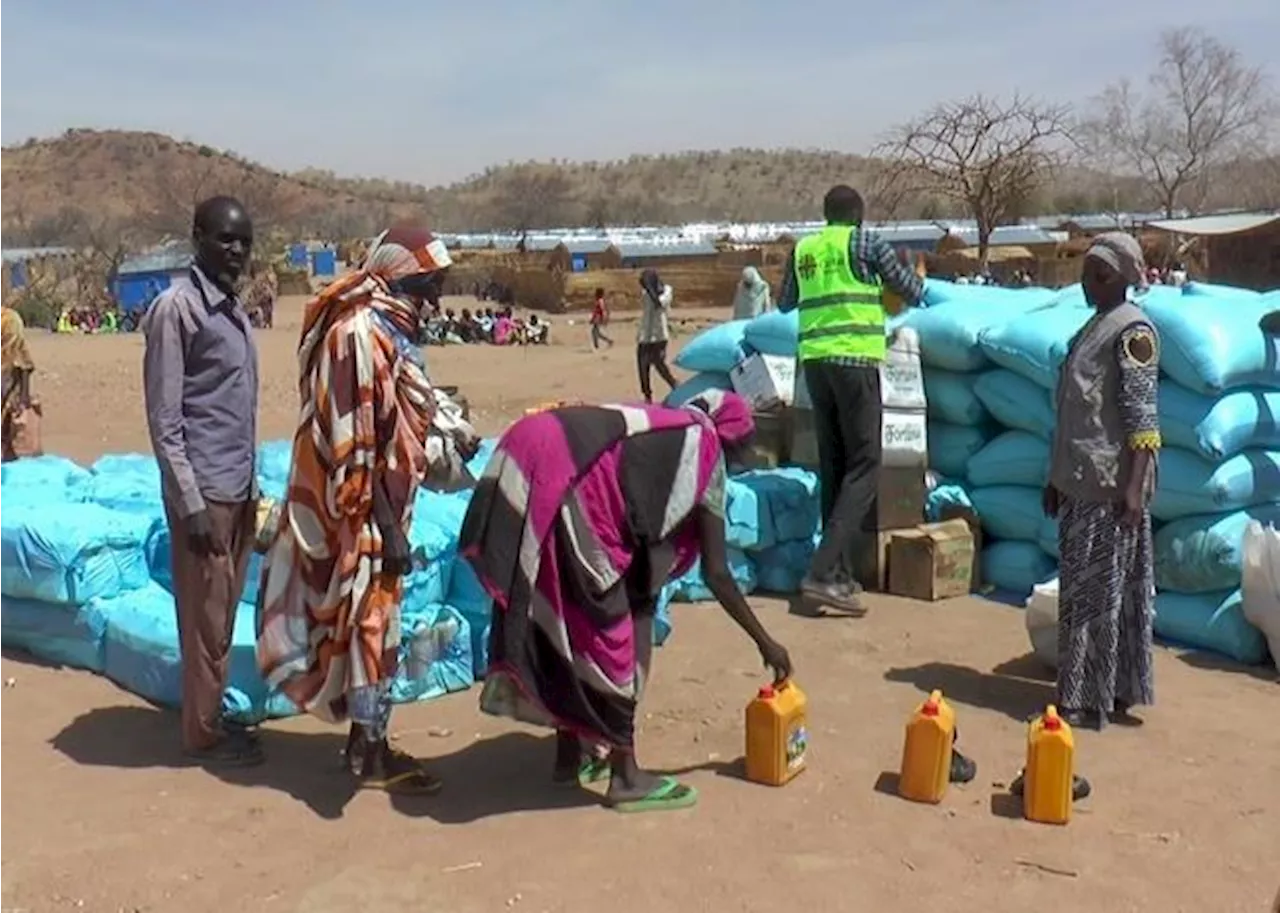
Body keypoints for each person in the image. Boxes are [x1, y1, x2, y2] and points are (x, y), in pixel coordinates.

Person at [458, 390, 792, 812]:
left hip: (533, 452)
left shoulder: (664, 432)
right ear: (734, 440)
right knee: (608, 634)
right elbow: (718, 574)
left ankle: (569, 755)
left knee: (569, 619)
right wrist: (766, 642)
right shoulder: (703, 453)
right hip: (568, 479)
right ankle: (626, 775)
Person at [256, 223, 480, 794]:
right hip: (355, 511)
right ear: (402, 278)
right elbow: (354, 442)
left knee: (373, 627)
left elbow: (396, 420)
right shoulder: (357, 335)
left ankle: (367, 743)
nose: (434, 299)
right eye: (429, 285)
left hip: (383, 509)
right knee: (367, 624)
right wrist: (386, 526)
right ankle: (369, 751)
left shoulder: (392, 331)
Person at [141, 196, 261, 766]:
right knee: (204, 616)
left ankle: (210, 715)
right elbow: (166, 421)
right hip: (205, 493)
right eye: (224, 239)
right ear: (197, 238)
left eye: (244, 241)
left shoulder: (232, 310)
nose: (236, 251)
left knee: (223, 612)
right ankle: (203, 733)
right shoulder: (177, 310)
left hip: (236, 485)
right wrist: (189, 504)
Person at [776, 185, 924, 614]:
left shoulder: (805, 248)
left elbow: (786, 303)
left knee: (835, 465)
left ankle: (838, 572)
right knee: (865, 465)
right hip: (855, 361)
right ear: (858, 215)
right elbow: (909, 289)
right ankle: (822, 571)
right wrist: (910, 279)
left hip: (816, 365)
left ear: (826, 215)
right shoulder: (866, 242)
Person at [1044, 232, 1158, 730]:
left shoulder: (1133, 333)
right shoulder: (1093, 328)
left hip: (1111, 487)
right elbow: (1073, 413)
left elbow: (1142, 418)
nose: (1088, 283)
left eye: (1101, 275)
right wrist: (1054, 478)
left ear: (1126, 279)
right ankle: (1085, 690)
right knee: (1080, 594)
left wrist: (1133, 489)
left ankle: (1094, 697)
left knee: (1102, 596)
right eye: (1087, 273)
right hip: (1079, 481)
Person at [0, 301, 36, 461]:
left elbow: (17, 359)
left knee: (10, 436)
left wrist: (24, 397)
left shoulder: (8, 320)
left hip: (8, 384)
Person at [636, 268, 678, 403]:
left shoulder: (667, 291)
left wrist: (651, 290)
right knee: (642, 366)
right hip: (645, 335)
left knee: (659, 363)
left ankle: (674, 385)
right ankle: (647, 396)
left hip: (659, 335)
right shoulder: (645, 293)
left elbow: (659, 303)